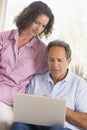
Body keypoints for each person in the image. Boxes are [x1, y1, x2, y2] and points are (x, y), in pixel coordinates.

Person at [0, 1, 54, 130]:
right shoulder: (4, 38)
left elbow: (56, 69)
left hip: (12, 102)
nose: (38, 28)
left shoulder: (42, 51)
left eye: (43, 26)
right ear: (28, 17)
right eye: (37, 22)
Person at [10, 39, 87, 130]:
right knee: (18, 125)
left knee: (55, 129)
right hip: (36, 125)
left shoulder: (79, 84)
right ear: (47, 60)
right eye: (51, 60)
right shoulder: (36, 79)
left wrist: (58, 108)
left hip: (62, 128)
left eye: (59, 60)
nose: (55, 65)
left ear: (68, 61)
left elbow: (85, 122)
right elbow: (25, 110)